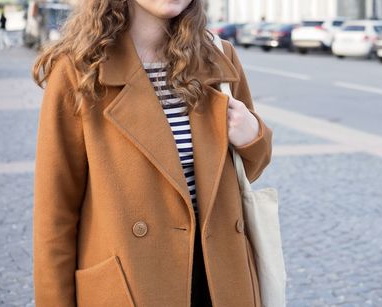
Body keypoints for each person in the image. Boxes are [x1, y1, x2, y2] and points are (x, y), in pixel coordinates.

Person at [31, 0, 273, 306]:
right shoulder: (78, 68)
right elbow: (55, 213)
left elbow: (246, 172)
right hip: (133, 282)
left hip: (221, 277)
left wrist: (253, 135)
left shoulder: (217, 56)